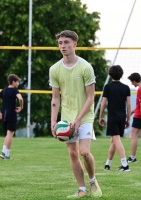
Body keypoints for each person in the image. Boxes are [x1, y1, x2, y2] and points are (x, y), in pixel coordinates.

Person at [49, 30, 102, 198]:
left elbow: (91, 97)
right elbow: (55, 98)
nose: (63, 46)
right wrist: (53, 122)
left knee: (84, 152)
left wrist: (79, 119)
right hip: (66, 117)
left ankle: (93, 180)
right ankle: (82, 189)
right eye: (60, 43)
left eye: (66, 42)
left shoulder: (86, 67)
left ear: (75, 44)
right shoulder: (55, 69)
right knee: (73, 153)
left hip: (85, 116)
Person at [99, 65, 131, 172]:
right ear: (121, 74)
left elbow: (103, 104)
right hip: (122, 117)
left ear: (110, 74)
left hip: (112, 117)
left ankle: (125, 165)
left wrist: (100, 116)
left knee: (116, 140)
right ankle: (107, 165)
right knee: (113, 141)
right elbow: (129, 105)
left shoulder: (108, 87)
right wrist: (128, 118)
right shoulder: (126, 88)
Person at [0, 74, 23, 160]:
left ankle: (3, 152)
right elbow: (20, 99)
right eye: (17, 82)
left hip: (4, 115)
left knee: (7, 134)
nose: (18, 84)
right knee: (10, 134)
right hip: (11, 114)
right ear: (13, 82)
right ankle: (6, 154)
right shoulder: (15, 91)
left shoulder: (4, 90)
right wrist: (21, 107)